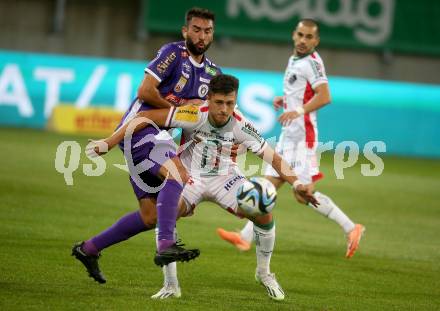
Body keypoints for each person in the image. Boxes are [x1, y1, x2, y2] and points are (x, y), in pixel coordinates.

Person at [96, 74, 318, 300]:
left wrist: (298, 183)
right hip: (190, 177)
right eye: (219, 102)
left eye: (230, 103)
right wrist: (109, 142)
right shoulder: (192, 114)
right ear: (209, 98)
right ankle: (171, 285)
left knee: (263, 213)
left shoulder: (241, 124)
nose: (224, 109)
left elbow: (274, 158)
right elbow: (143, 116)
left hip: (225, 178)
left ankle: (264, 273)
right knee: (168, 211)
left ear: (235, 101)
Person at [72, 7, 221, 284]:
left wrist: (187, 139)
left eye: (208, 31)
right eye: (197, 29)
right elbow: (145, 92)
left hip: (159, 138)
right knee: (177, 176)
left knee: (150, 215)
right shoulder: (173, 53)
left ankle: (88, 249)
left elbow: (196, 120)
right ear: (185, 31)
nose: (202, 36)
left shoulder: (213, 72)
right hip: (140, 130)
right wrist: (177, 110)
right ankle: (165, 246)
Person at [217, 19, 365, 258]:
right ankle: (244, 237)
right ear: (294, 35)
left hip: (302, 136)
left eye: (309, 37)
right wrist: (284, 100)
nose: (304, 40)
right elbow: (300, 94)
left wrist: (297, 111)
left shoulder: (313, 63)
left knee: (302, 193)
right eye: (300, 35)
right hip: (289, 135)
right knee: (267, 184)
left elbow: (324, 96)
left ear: (316, 41)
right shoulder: (295, 59)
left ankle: (351, 228)